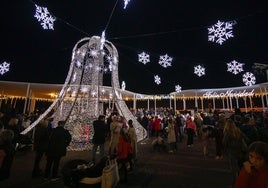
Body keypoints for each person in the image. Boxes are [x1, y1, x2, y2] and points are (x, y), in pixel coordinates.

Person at [223, 119, 248, 185]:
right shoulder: (238, 131)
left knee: (234, 169)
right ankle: (242, 180)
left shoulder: (228, 132)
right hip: (240, 151)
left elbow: (224, 142)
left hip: (232, 151)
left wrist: (225, 150)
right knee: (240, 167)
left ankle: (236, 183)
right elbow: (246, 138)